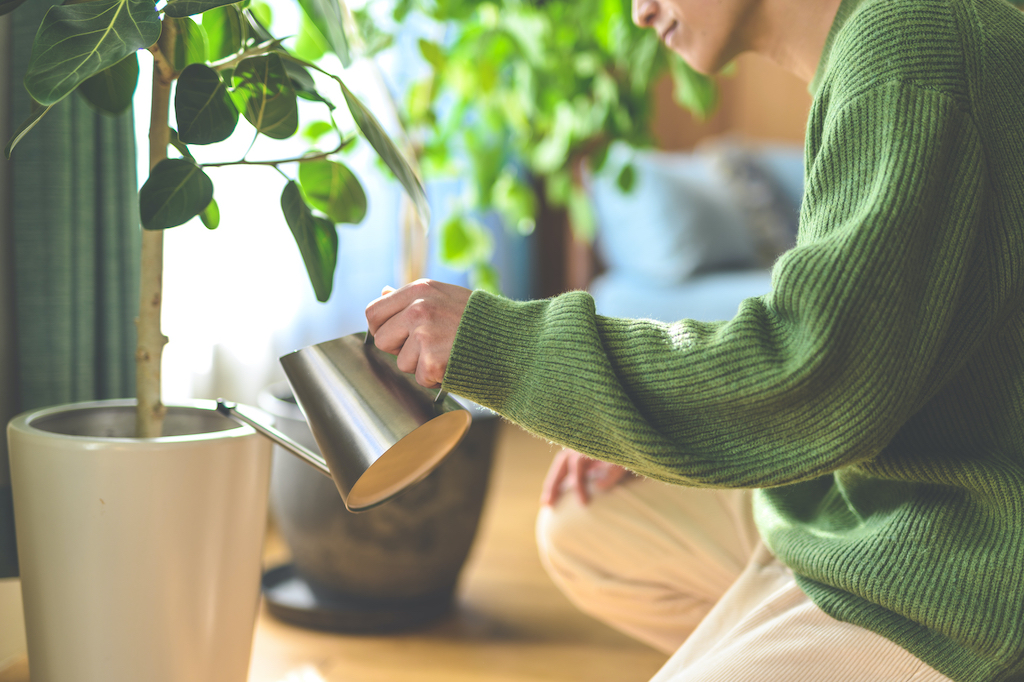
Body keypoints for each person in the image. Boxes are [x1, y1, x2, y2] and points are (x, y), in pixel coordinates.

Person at [364, 0, 1024, 675]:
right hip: (868, 505)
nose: (638, 12)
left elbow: (810, 372)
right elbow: (879, 351)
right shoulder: (879, 45)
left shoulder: (908, 47)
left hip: (968, 576)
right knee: (585, 523)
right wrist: (647, 429)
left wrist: (497, 343)